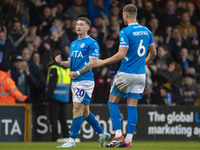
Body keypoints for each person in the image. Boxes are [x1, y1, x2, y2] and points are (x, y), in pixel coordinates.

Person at [94, 4, 157, 148]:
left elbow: (121, 54)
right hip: (140, 76)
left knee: (112, 102)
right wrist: (143, 64)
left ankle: (118, 135)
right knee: (132, 107)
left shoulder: (125, 31)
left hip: (126, 73)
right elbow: (153, 53)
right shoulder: (147, 31)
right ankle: (128, 140)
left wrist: (103, 62)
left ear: (125, 15)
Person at [55, 17, 110, 148]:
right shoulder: (74, 43)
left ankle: (71, 140)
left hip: (85, 81)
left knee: (77, 109)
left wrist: (78, 73)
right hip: (75, 80)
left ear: (88, 28)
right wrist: (61, 62)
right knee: (85, 112)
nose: (78, 26)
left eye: (81, 24)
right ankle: (103, 134)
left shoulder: (92, 43)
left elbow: (92, 63)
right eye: (77, 24)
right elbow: (71, 63)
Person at [44, 50, 71, 141]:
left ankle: (54, 138)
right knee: (63, 119)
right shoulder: (67, 69)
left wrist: (46, 99)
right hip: (65, 97)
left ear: (51, 58)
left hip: (55, 97)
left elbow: (52, 86)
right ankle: (66, 136)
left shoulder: (54, 68)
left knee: (54, 119)